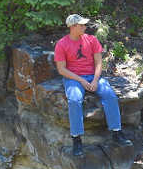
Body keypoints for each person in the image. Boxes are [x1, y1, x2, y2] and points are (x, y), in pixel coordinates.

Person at [54, 14, 133, 157]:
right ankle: (76, 138)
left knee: (110, 95)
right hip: (73, 78)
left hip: (92, 75)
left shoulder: (91, 40)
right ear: (73, 27)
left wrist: (95, 80)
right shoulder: (62, 44)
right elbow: (62, 69)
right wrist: (81, 81)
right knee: (74, 99)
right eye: (81, 25)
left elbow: (99, 62)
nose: (85, 27)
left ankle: (116, 132)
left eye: (84, 25)